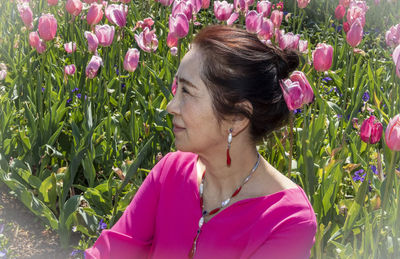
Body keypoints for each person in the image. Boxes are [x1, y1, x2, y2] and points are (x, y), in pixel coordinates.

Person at [85, 25, 317, 259]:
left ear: (237, 117)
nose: (170, 106)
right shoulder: (172, 171)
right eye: (177, 88)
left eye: (186, 92)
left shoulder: (287, 219)